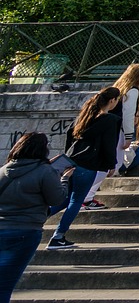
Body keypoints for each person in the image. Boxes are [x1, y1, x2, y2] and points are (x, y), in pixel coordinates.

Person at [46, 87, 122, 250]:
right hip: (88, 165)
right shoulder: (110, 120)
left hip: (72, 162)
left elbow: (69, 136)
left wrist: (68, 157)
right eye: (117, 100)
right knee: (76, 200)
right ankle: (58, 237)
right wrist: (111, 164)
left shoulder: (84, 117)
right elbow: (109, 145)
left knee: (66, 199)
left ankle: (36, 218)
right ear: (112, 101)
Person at [1, 132, 67, 294]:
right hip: (26, 231)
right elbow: (56, 199)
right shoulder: (45, 171)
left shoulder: (3, 170)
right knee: (5, 284)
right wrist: (64, 180)